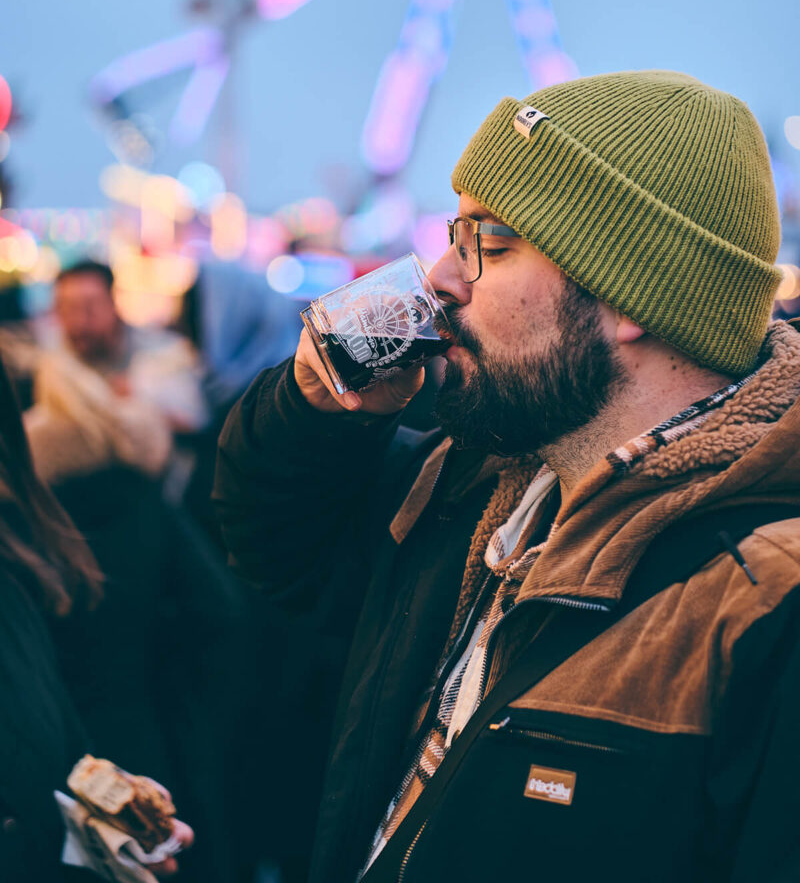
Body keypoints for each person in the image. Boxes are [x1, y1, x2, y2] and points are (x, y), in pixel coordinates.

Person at [214, 70, 800, 883]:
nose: (441, 283)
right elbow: (278, 558)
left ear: (631, 292)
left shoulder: (764, 592)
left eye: (488, 245)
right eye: (454, 241)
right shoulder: (485, 481)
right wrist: (317, 407)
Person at [0, 351, 192, 881]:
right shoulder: (133, 496)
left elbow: (48, 751)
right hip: (138, 716)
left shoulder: (16, 564)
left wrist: (107, 834)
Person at [23, 260, 207, 490]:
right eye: (67, 309)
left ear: (113, 303)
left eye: (89, 308)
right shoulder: (55, 363)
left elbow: (193, 421)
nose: (79, 321)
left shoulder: (163, 354)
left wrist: (140, 398)